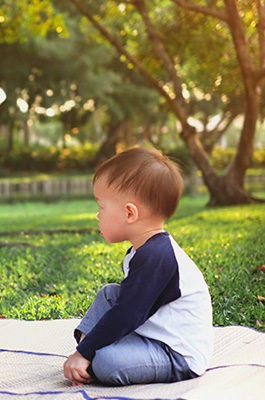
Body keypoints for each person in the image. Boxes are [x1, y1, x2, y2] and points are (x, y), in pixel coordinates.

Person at [62, 147, 213, 386]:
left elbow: (127, 314)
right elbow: (126, 307)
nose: (97, 216)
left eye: (101, 207)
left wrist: (84, 352)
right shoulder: (142, 250)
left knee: (106, 363)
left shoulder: (157, 256)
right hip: (152, 332)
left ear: (130, 213)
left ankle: (89, 357)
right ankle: (90, 354)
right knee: (108, 294)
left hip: (175, 353)